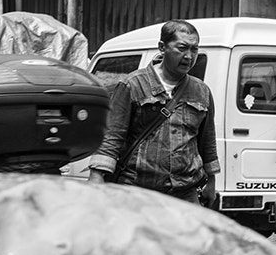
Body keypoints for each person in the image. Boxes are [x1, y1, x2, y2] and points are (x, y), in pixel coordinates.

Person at [88, 19, 218, 206]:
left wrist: (211, 180)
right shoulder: (133, 85)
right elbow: (112, 136)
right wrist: (97, 176)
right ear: (162, 47)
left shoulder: (201, 91)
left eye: (194, 49)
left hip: (185, 193)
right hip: (137, 191)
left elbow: (207, 142)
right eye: (182, 48)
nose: (189, 56)